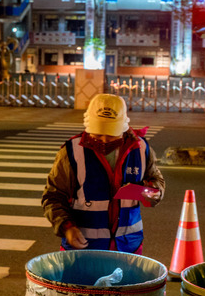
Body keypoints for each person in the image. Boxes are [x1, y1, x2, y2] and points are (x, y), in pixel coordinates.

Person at [42, 93, 165, 253]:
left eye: (111, 134)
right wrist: (67, 226)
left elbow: (156, 181)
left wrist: (152, 192)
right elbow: (53, 196)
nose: (105, 140)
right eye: (98, 134)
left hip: (128, 247)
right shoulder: (71, 152)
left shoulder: (140, 149)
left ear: (123, 127)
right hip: (83, 250)